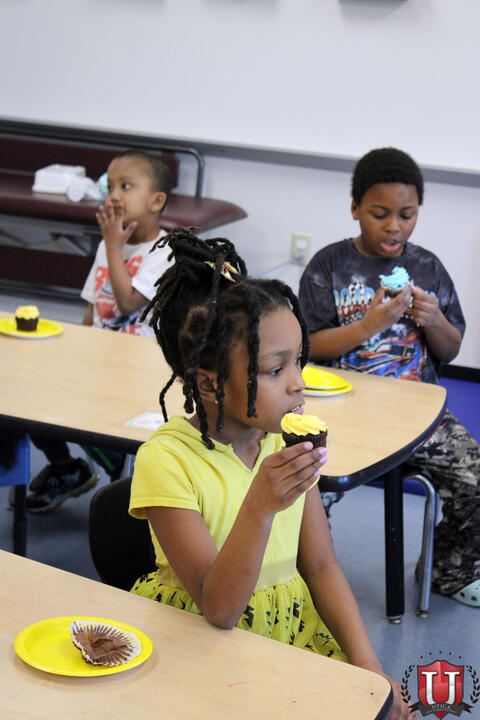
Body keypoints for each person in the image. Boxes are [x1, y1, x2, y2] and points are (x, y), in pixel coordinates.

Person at [129, 227, 410, 719]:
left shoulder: (280, 445)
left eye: (298, 362)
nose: (299, 385)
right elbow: (219, 610)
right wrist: (260, 506)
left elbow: (321, 566)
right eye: (276, 370)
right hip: (201, 643)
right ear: (211, 385)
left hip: (290, 629)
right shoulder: (167, 460)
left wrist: (369, 665)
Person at [299, 147, 480, 607]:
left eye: (407, 214)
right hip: (337, 410)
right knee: (302, 483)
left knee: (476, 475)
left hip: (415, 413)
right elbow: (307, 346)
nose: (394, 226)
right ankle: (309, 573)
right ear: (356, 208)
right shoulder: (329, 266)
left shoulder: (428, 268)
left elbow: (451, 347)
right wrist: (369, 326)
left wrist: (435, 319)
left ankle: (446, 571)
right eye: (380, 214)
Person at [25, 150, 174, 513]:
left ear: (156, 201)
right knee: (30, 396)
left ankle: (120, 477)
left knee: (127, 452)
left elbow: (127, 303)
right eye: (109, 187)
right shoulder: (112, 244)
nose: (114, 196)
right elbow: (94, 306)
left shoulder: (166, 250)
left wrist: (112, 245)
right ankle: (66, 468)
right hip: (100, 365)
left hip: (141, 373)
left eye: (126, 186)